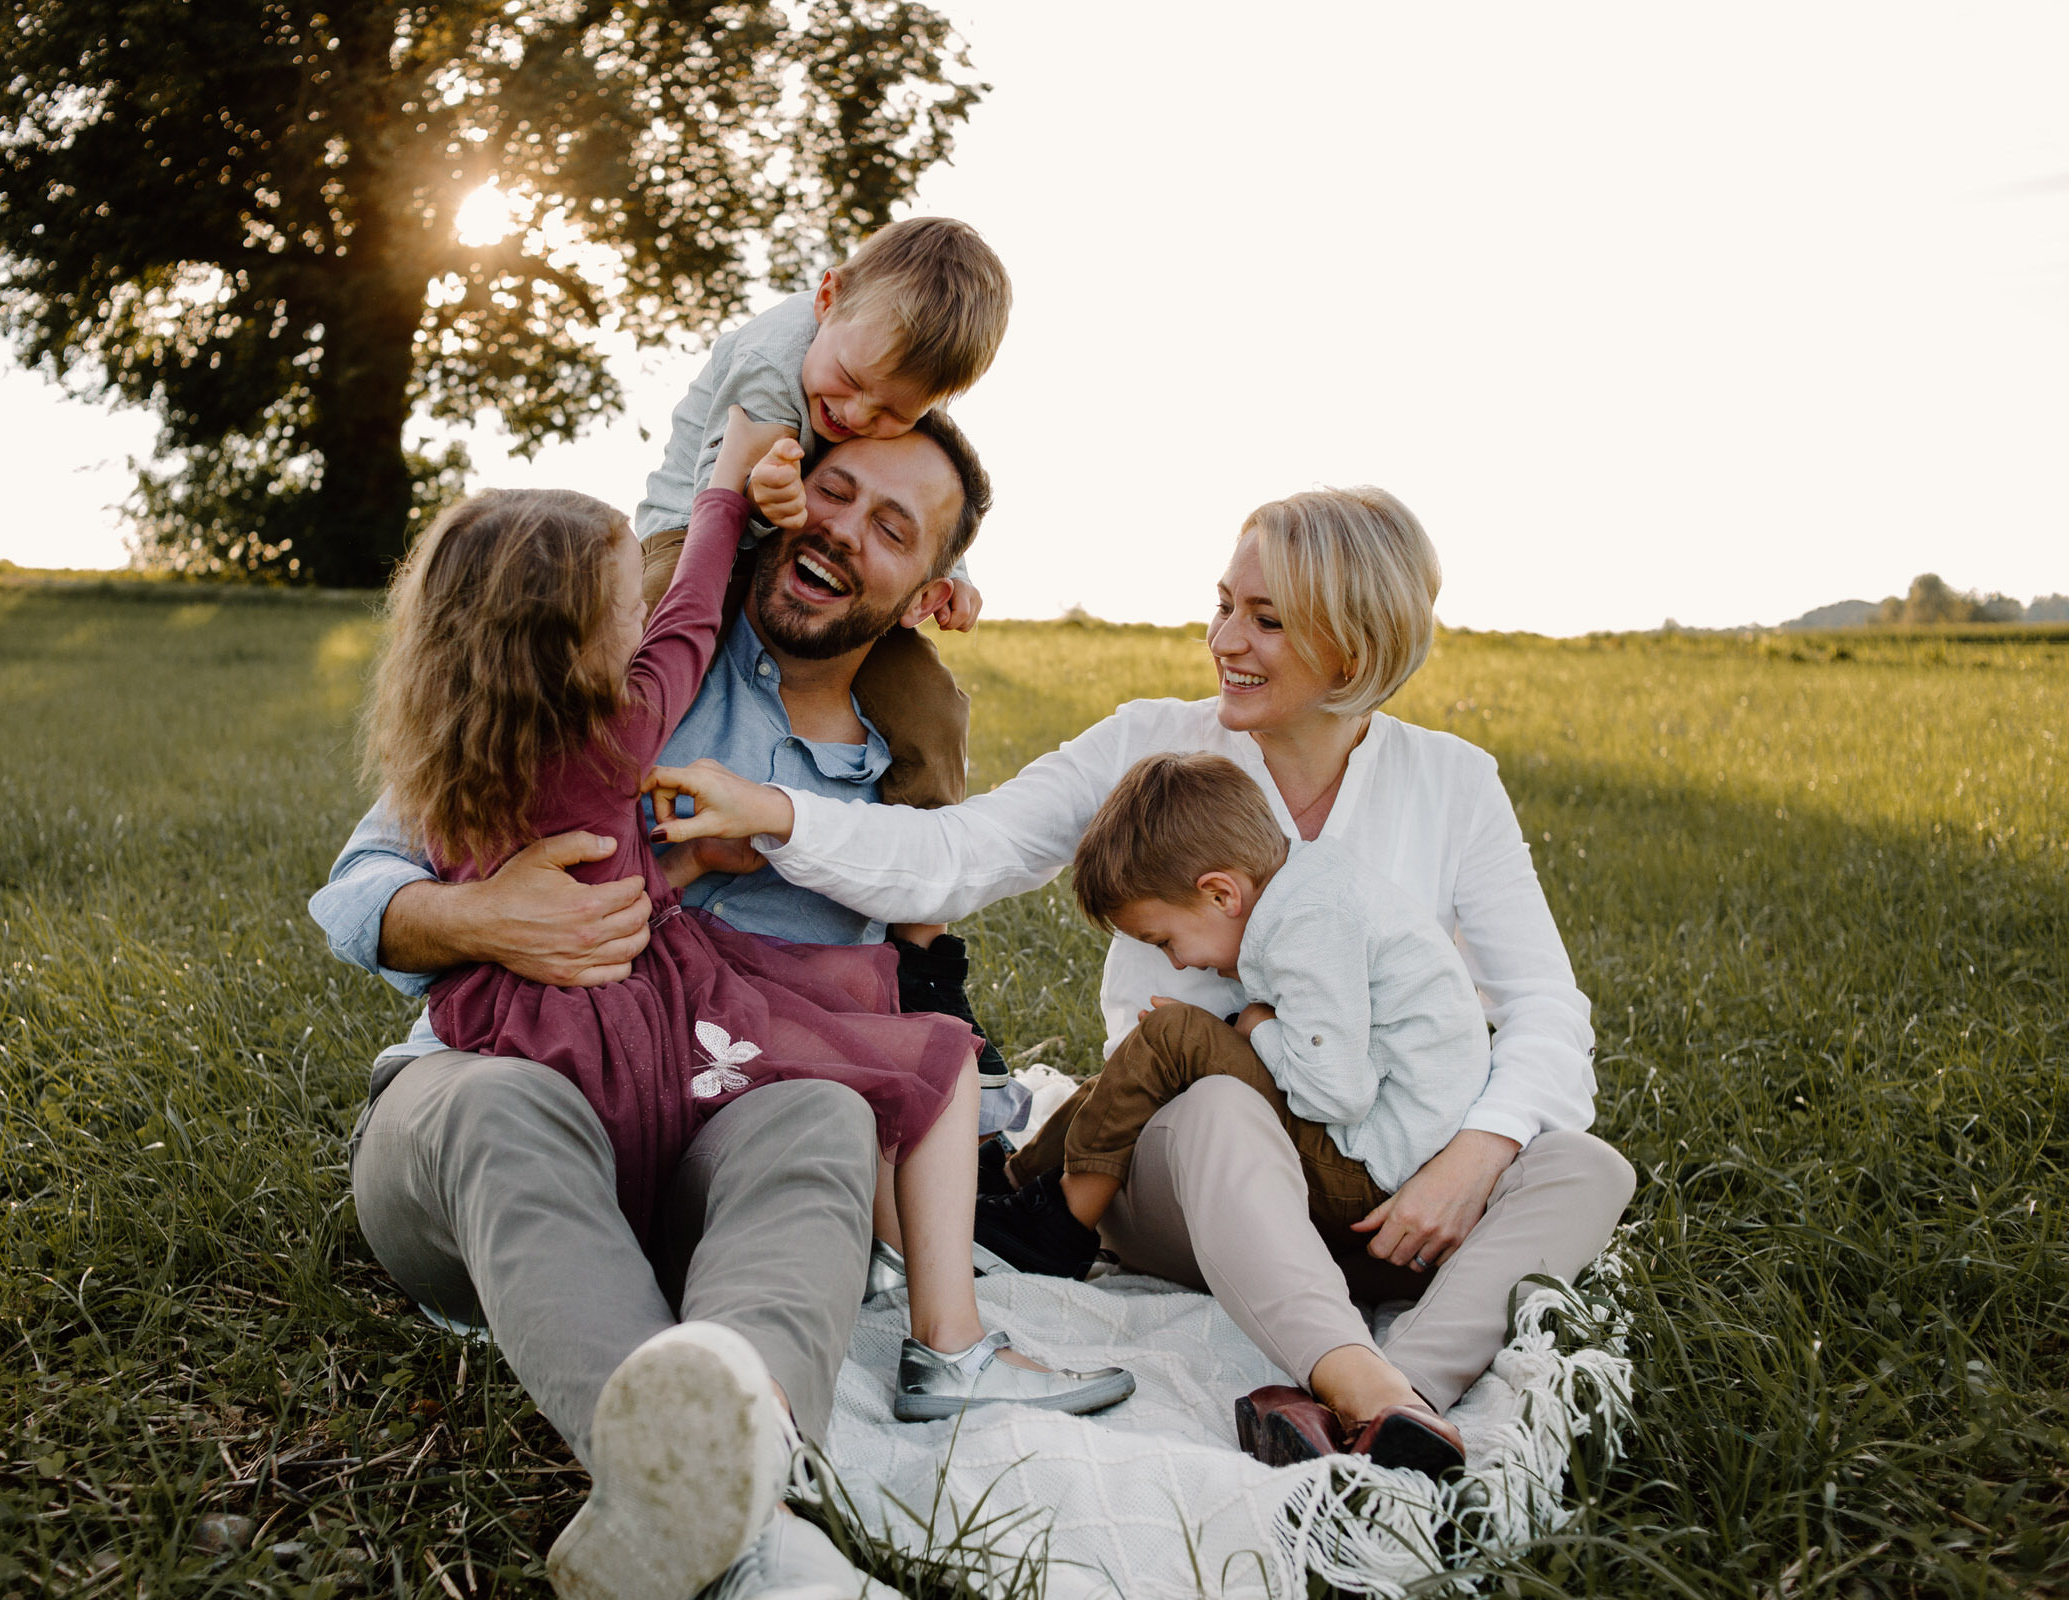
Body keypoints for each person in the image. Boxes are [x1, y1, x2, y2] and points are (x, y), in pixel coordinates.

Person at [649, 485, 1640, 1473]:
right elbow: (961, 849)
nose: (1225, 640)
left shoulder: (1451, 780)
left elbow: (1547, 1011)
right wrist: (778, 812)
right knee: (1216, 1103)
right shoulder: (1152, 743)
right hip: (1189, 1165)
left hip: (1386, 1179)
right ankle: (1353, 1371)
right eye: (1223, 605)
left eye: (1266, 619)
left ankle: (1389, 1398)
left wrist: (1472, 1156)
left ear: (1352, 645)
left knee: (1584, 1165)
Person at [315, 412, 1122, 1600]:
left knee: (824, 1118)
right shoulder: (609, 660)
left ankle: (715, 1497)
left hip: (715, 1127)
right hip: (494, 1124)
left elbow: (931, 946)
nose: (841, 530)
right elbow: (360, 884)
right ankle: (746, 1538)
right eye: (831, 491)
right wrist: (485, 919)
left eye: (890, 527)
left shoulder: (900, 767)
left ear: (929, 592)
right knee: (496, 1104)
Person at [969, 750, 1492, 1474]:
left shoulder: (1310, 920)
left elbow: (1336, 1090)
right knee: (1167, 1046)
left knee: (1175, 1034)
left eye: (1163, 939)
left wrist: (1252, 1029)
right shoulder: (1312, 889)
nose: (1177, 961)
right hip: (1375, 1146)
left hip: (1371, 1172)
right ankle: (1021, 1186)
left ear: (1221, 894)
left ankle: (1058, 1221)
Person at [634, 215, 1011, 816]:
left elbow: (926, 487)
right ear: (827, 298)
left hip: (804, 549)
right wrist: (767, 496)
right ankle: (577, 773)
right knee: (638, 644)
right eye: (852, 382)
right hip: (691, 531)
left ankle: (925, 868)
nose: (857, 415)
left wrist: (955, 572)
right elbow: (725, 500)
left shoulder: (877, 376)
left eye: (893, 411)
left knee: (930, 702)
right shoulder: (772, 360)